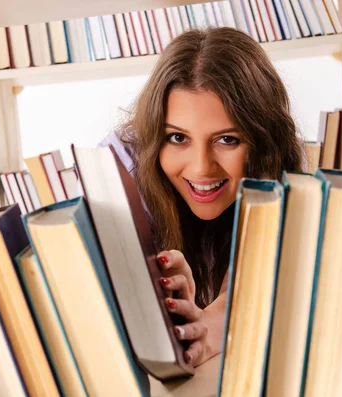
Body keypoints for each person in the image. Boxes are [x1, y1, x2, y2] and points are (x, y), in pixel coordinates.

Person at [100, 26, 305, 367]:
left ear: (262, 142)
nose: (200, 168)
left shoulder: (280, 173)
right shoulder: (124, 165)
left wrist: (202, 328)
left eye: (227, 139)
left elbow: (256, 279)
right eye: (178, 138)